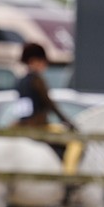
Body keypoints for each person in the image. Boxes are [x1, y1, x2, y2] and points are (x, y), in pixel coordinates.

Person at [15, 42, 81, 172]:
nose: (45, 66)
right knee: (76, 142)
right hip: (40, 127)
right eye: (43, 62)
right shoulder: (37, 80)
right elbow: (49, 104)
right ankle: (69, 176)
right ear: (34, 61)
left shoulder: (20, 81)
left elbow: (22, 108)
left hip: (23, 126)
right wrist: (67, 121)